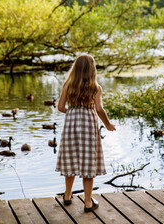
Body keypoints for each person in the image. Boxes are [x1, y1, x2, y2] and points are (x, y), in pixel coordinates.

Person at [55, 54, 116, 212]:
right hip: (88, 126)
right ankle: (88, 202)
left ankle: (67, 196)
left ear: (75, 68)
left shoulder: (68, 85)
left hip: (71, 126)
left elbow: (60, 107)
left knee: (71, 159)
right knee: (88, 163)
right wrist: (108, 124)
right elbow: (99, 109)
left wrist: (73, 112)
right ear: (92, 69)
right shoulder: (95, 87)